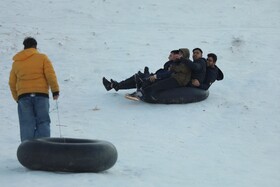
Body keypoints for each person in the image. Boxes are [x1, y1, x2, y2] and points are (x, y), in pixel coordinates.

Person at [9, 37, 60, 142]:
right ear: (35, 46)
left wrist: (17, 98)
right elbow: (50, 75)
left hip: (23, 97)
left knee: (27, 124)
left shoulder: (17, 62)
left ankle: (28, 151)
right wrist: (55, 90)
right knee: (43, 122)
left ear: (24, 47)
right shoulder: (42, 58)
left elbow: (11, 83)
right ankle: (44, 148)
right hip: (41, 96)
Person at [102, 48, 190, 92]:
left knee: (139, 77)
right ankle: (114, 85)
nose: (178, 56)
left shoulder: (179, 64)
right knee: (138, 77)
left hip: (161, 79)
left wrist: (155, 76)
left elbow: (169, 74)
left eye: (172, 55)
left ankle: (115, 86)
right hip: (159, 77)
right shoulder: (172, 63)